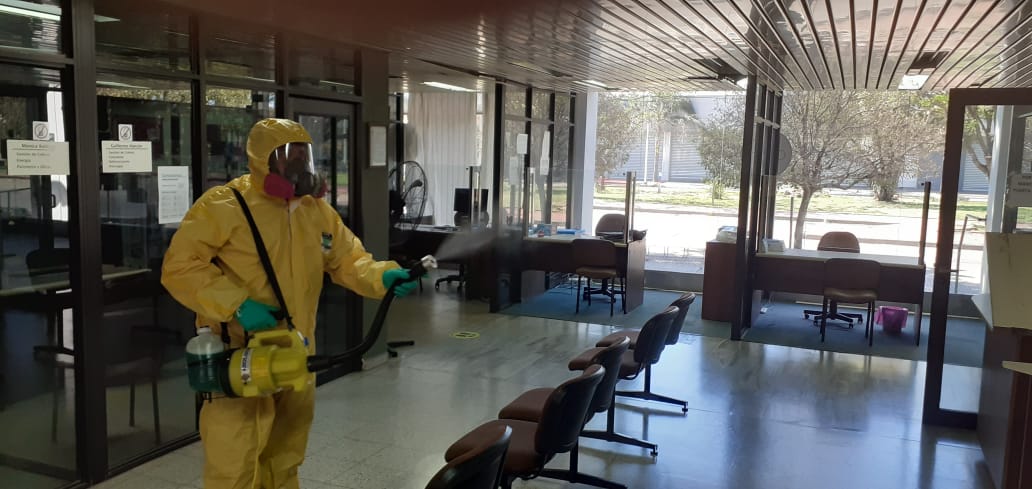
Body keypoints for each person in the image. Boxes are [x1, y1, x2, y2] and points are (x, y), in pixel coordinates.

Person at [162, 118, 417, 489]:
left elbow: (348, 260)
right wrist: (237, 305)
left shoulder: (314, 211)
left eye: (304, 155)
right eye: (288, 156)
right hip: (240, 357)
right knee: (234, 467)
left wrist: (383, 276)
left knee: (285, 458)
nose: (299, 164)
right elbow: (180, 267)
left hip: (295, 357)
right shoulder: (225, 205)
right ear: (262, 161)